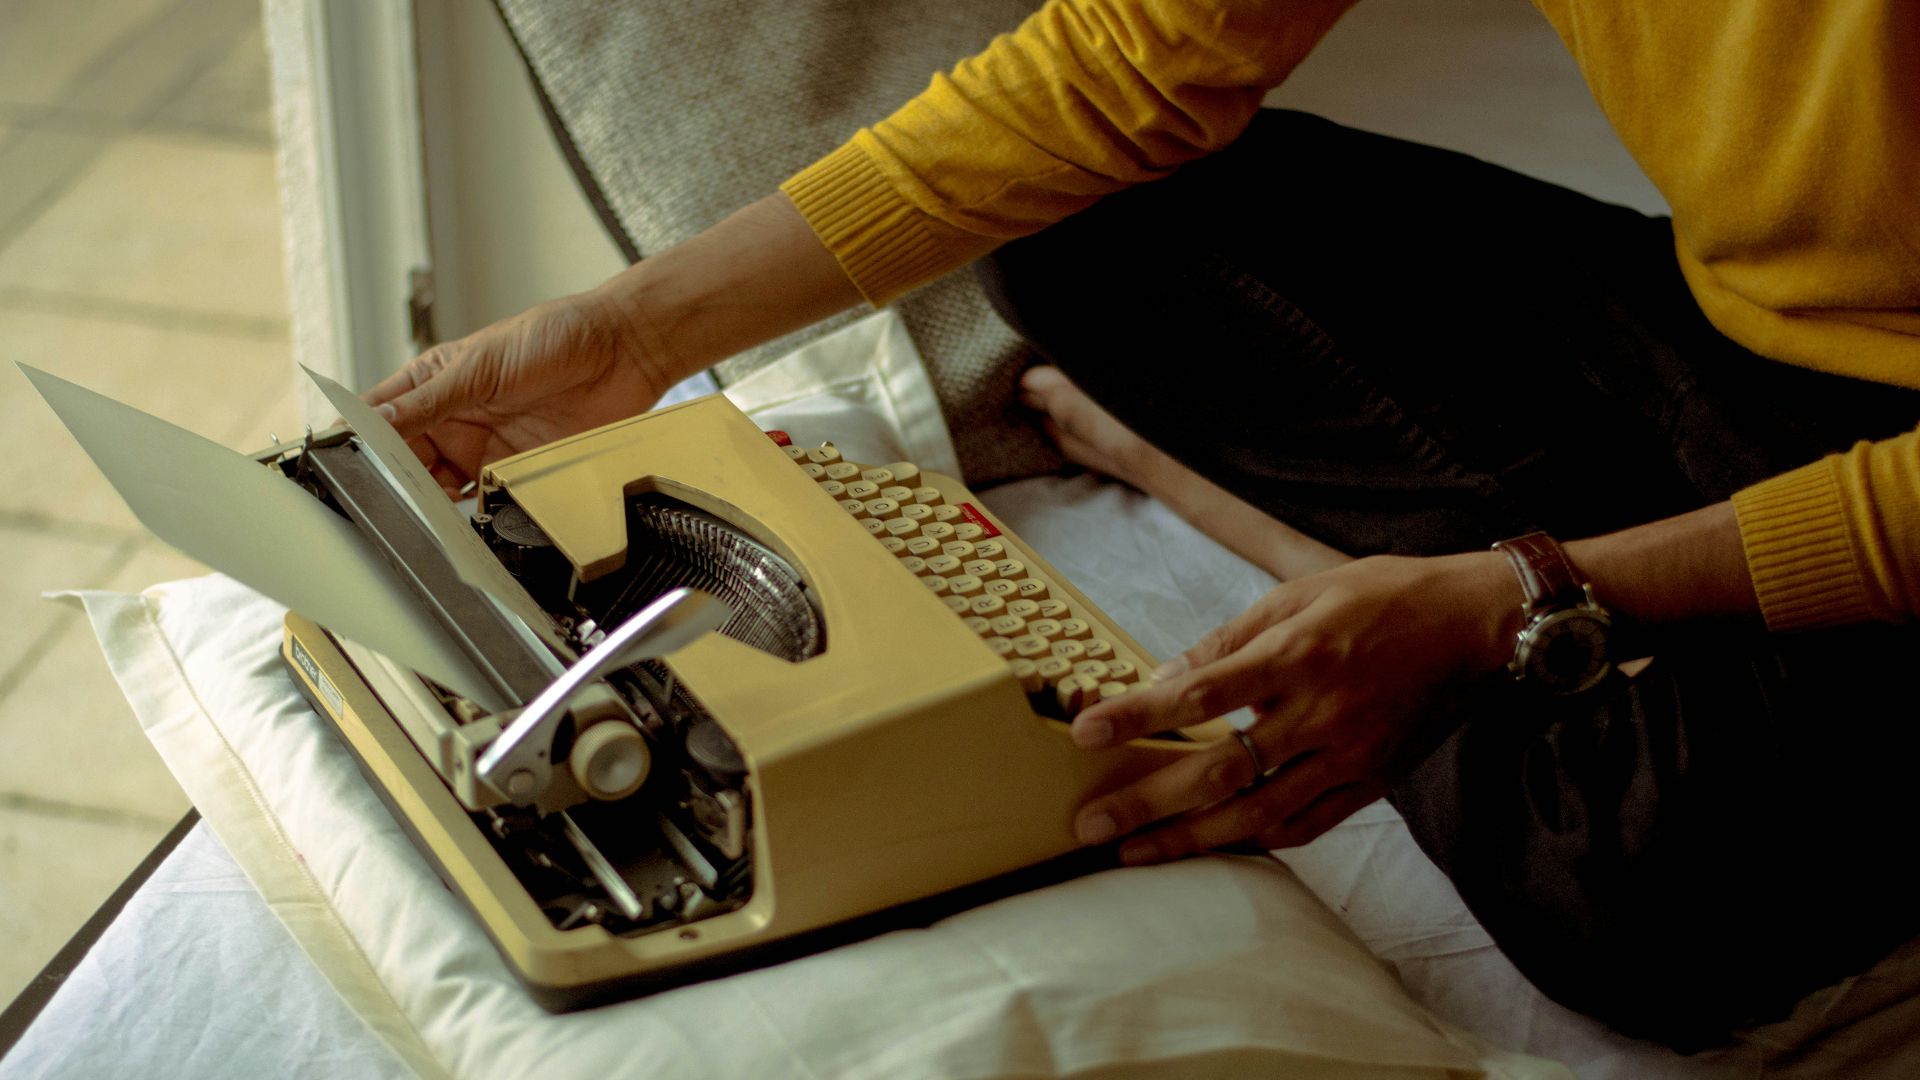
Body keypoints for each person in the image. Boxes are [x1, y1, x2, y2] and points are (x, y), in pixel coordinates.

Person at [365, 0, 1919, 1048]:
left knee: (1646, 895)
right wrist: (629, 334)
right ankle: (1529, 635)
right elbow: (1141, 54)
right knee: (1089, 238)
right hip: (1751, 335)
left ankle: (1414, 598)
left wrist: (1514, 596)